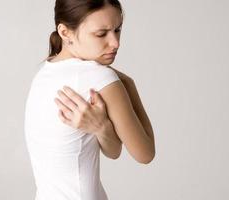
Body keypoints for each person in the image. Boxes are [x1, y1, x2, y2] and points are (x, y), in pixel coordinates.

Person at [24, 0, 155, 199]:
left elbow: (114, 151)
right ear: (65, 32)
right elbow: (145, 153)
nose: (115, 43)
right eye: (101, 34)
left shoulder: (44, 74)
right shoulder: (102, 78)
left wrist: (100, 128)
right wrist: (129, 84)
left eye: (117, 30)